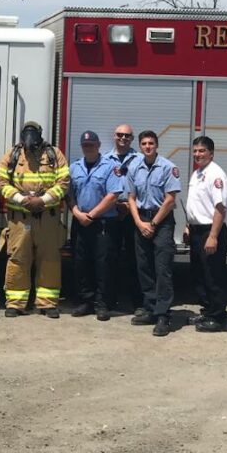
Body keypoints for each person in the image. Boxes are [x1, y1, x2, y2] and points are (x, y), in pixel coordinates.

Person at [0, 121, 70, 318]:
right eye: (26, 133)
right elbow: (1, 182)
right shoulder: (12, 155)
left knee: (49, 260)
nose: (30, 137)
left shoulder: (54, 154)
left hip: (47, 217)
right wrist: (21, 199)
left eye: (33, 133)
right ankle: (15, 304)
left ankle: (47, 303)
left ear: (40, 134)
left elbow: (64, 183)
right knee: (18, 259)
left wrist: (42, 200)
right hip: (20, 218)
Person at [126, 130, 181, 337]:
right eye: (144, 143)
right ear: (140, 146)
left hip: (162, 222)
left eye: (151, 143)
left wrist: (153, 223)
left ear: (157, 145)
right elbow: (131, 198)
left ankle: (163, 315)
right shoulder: (134, 167)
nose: (147, 147)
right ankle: (149, 308)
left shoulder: (168, 167)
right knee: (144, 267)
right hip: (141, 220)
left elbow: (170, 199)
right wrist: (140, 223)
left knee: (162, 268)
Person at [68, 130, 125, 321]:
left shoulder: (111, 167)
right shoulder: (74, 167)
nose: (88, 148)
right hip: (80, 221)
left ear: (99, 145)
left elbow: (113, 195)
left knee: (104, 265)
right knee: (81, 263)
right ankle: (86, 301)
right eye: (85, 145)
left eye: (91, 144)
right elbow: (69, 194)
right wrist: (76, 212)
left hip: (102, 223)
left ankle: (103, 304)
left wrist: (91, 215)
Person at [184, 136, 227, 332]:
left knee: (212, 275)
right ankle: (208, 310)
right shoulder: (197, 173)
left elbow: (220, 208)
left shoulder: (216, 175)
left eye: (202, 151)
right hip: (196, 230)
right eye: (195, 151)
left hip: (210, 230)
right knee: (200, 274)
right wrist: (188, 226)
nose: (197, 154)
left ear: (211, 153)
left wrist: (213, 236)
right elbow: (196, 204)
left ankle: (218, 317)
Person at [107, 123, 142, 313]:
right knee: (109, 258)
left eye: (127, 136)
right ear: (114, 136)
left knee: (135, 259)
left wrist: (129, 206)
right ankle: (109, 301)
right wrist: (115, 205)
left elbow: (143, 185)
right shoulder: (105, 158)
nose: (123, 138)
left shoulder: (140, 160)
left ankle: (138, 302)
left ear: (132, 138)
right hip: (111, 213)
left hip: (132, 214)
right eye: (119, 135)